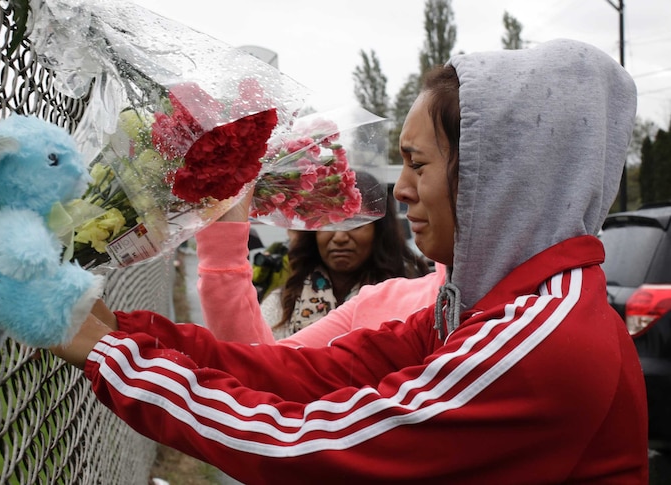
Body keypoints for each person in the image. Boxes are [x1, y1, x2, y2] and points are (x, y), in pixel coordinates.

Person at [51, 39, 647, 483]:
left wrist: (114, 358)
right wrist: (127, 330)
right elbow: (314, 375)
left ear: (496, 177)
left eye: (418, 164)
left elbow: (311, 448)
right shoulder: (491, 307)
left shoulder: (539, 336)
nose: (402, 191)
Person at [198, 172, 433, 341]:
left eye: (355, 225)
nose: (340, 237)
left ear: (379, 231)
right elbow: (255, 357)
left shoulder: (415, 299)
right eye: (329, 223)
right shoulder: (284, 302)